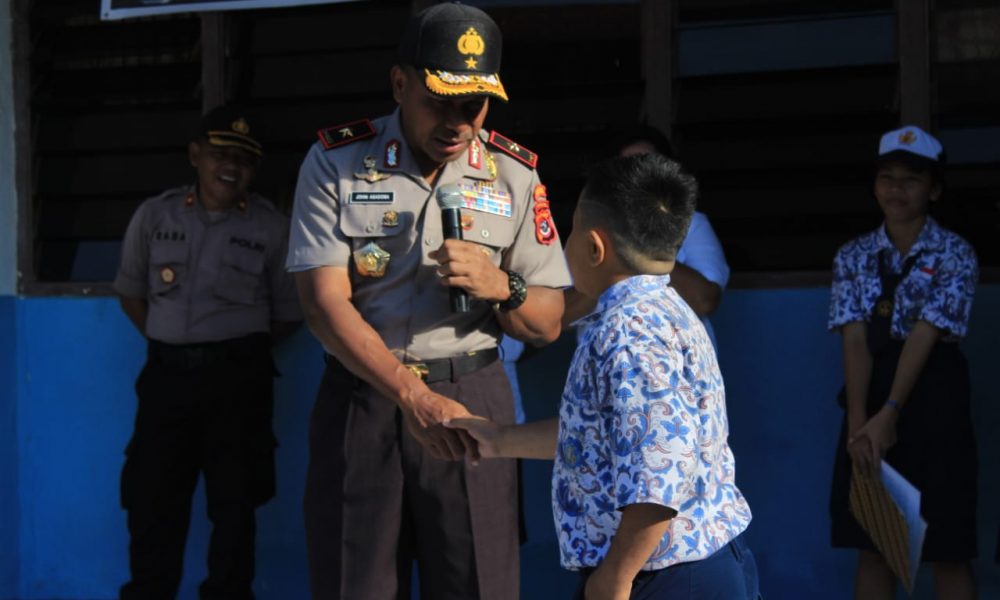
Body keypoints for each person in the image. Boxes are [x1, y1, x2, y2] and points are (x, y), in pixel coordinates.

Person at [285, 3, 571, 599]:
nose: (458, 122)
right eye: (439, 101)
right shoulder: (337, 162)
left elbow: (546, 323)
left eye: (473, 106)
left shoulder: (515, 176)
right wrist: (411, 395)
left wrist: (503, 287)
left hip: (470, 402)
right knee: (352, 583)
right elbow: (323, 303)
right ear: (399, 83)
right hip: (364, 398)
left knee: (478, 585)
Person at [449, 153, 758, 600]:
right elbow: (607, 434)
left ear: (594, 248)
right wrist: (498, 439)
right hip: (679, 569)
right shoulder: (665, 309)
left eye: (569, 229)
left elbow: (659, 471)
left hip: (664, 577)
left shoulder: (629, 331)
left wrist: (615, 576)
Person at [114, 106, 302, 599]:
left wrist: (231, 344)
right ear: (195, 155)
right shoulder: (155, 215)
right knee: (152, 502)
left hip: (238, 383)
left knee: (236, 507)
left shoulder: (271, 228)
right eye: (221, 153)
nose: (232, 166)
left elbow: (288, 313)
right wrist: (172, 339)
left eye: (244, 159)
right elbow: (132, 293)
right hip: (166, 380)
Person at [827, 125, 978, 599]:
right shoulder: (852, 256)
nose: (897, 189)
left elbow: (925, 334)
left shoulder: (955, 252)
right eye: (887, 177)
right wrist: (860, 425)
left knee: (947, 548)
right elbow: (854, 339)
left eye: (911, 179)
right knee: (874, 545)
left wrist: (889, 413)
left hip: (934, 399)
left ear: (934, 189)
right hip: (867, 397)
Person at [563, 125, 730, 354]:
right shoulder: (592, 227)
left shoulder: (691, 223)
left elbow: (705, 300)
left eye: (649, 164)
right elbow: (559, 317)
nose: (639, 177)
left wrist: (641, 247)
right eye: (628, 168)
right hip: (606, 359)